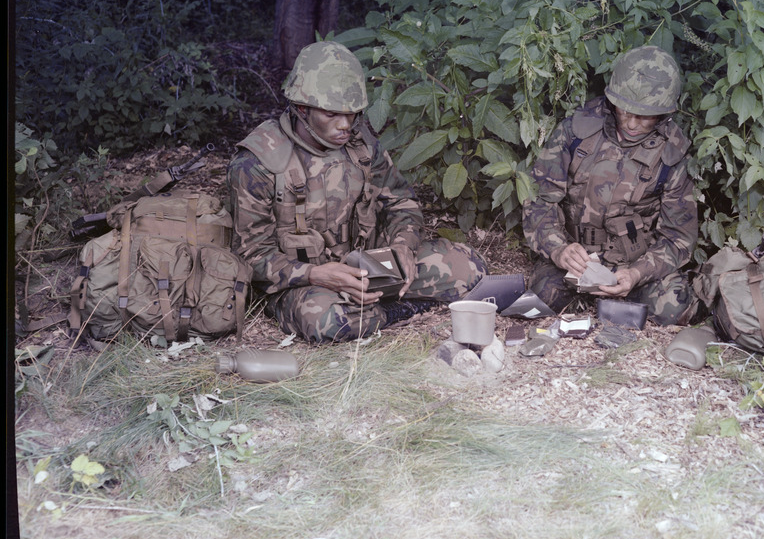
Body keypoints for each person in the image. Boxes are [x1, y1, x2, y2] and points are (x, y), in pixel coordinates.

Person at [227, 41, 487, 343]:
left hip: (368, 266)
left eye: (352, 114)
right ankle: (391, 312)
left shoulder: (361, 144)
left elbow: (401, 203)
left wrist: (404, 246)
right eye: (332, 114)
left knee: (469, 267)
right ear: (301, 108)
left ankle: (373, 310)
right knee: (330, 322)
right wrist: (316, 274)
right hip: (304, 282)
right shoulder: (257, 161)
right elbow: (250, 255)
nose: (346, 125)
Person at [522, 45, 699, 325]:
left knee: (673, 309)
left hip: (632, 263)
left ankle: (621, 293)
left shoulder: (672, 155)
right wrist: (558, 249)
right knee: (543, 298)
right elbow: (540, 200)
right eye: (624, 110)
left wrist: (637, 273)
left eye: (644, 116)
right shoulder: (576, 131)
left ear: (664, 114)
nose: (630, 122)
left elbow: (678, 238)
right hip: (575, 259)